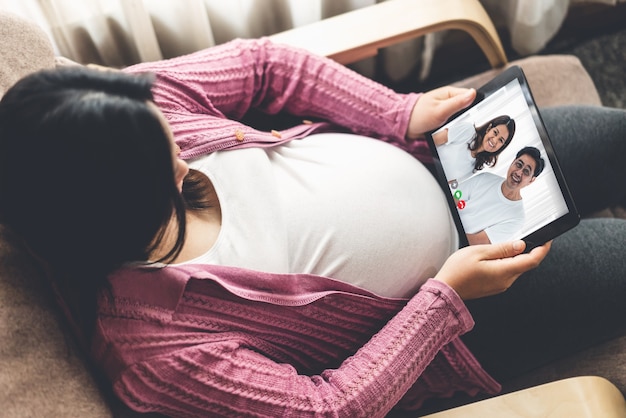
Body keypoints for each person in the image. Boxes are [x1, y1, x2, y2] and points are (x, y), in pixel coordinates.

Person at [0, 38, 625, 418]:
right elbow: (329, 407)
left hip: (446, 161)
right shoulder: (159, 355)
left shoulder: (123, 113)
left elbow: (265, 65)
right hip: (464, 320)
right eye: (171, 168)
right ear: (120, 216)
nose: (188, 156)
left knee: (616, 138)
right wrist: (446, 300)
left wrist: (397, 111)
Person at [456, 146, 545, 245]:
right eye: (519, 165)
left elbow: (479, 241)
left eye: (526, 171)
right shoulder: (485, 178)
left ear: (531, 181)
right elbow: (454, 198)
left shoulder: (517, 217)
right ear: (512, 163)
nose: (519, 173)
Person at [432, 114, 516, 183]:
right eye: (495, 132)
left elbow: (452, 183)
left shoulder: (477, 166)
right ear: (489, 128)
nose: (494, 140)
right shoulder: (468, 131)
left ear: (502, 146)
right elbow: (433, 140)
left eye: (500, 140)